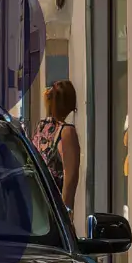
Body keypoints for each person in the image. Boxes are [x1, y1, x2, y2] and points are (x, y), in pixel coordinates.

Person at [34, 79, 80, 214]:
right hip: (53, 209)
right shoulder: (66, 132)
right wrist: (66, 213)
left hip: (36, 203)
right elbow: (70, 178)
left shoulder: (41, 127)